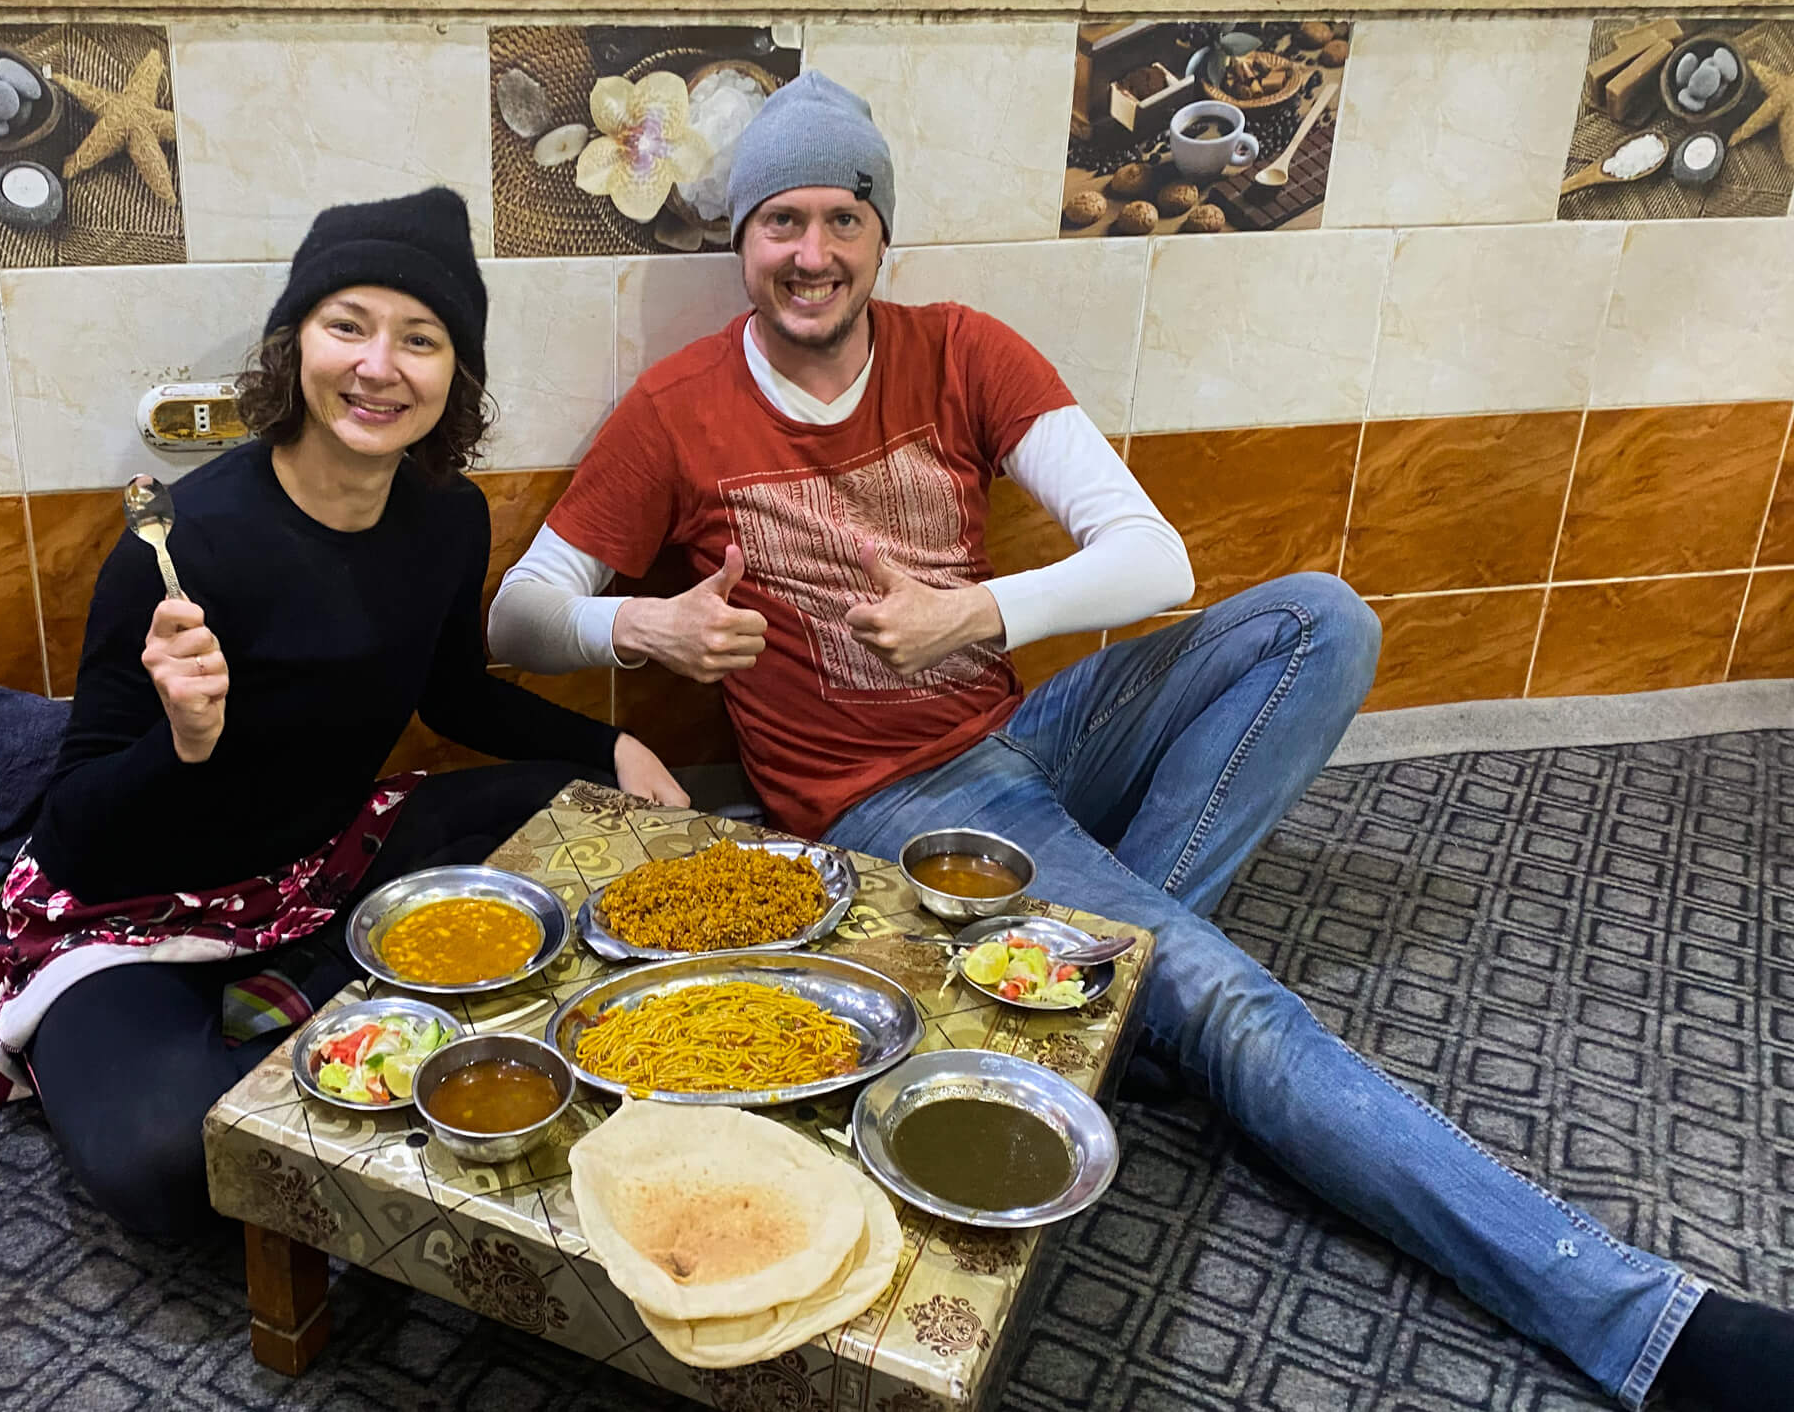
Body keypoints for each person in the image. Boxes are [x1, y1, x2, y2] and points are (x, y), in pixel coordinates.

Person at [486, 74, 1791, 1410]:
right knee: (1234, 1000)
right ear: (741, 243)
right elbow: (520, 617)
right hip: (883, 808)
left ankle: (1122, 997)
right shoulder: (676, 410)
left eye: (839, 218)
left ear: (882, 237)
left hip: (1026, 735)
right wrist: (641, 627)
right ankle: (1648, 1326)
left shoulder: (965, 349)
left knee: (1318, 621)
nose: (809, 253)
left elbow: (1151, 556)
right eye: (778, 222)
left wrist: (977, 612)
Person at [0, 187, 686, 1238]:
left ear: (456, 374)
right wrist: (184, 745)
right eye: (347, 327)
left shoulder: (446, 520)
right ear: (294, 346)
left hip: (321, 859)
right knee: (172, 1172)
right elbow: (77, 826)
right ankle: (321, 998)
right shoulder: (185, 541)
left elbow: (452, 696)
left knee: (611, 822)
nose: (379, 366)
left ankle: (305, 987)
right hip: (131, 908)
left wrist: (613, 743)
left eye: (420, 338)